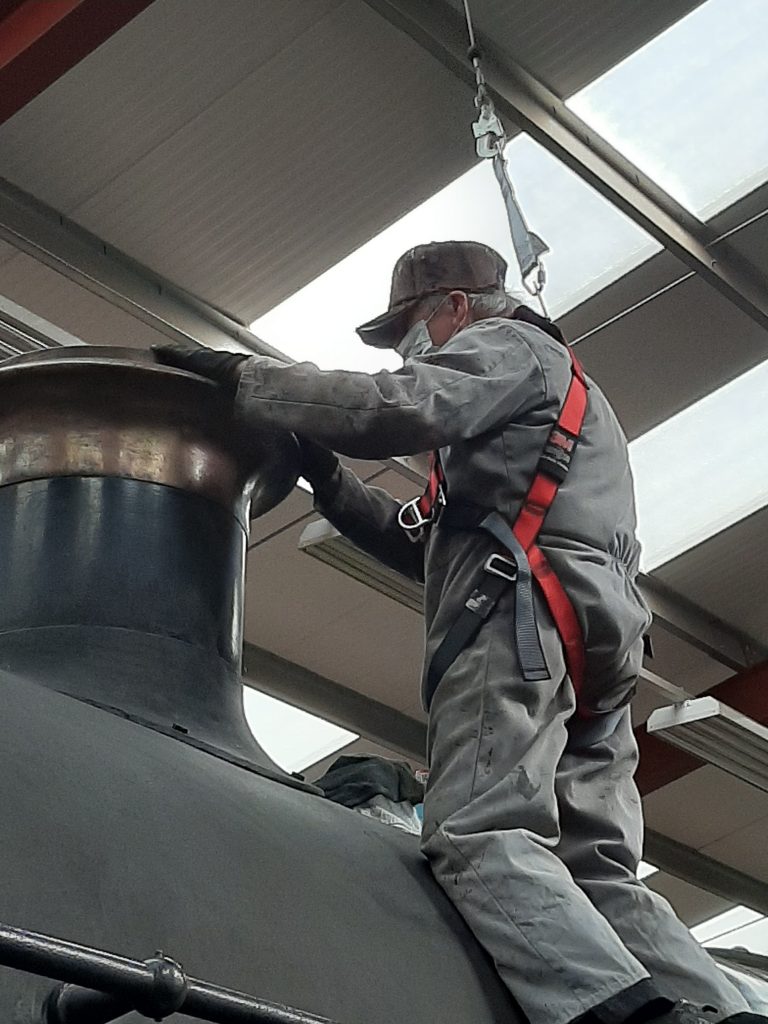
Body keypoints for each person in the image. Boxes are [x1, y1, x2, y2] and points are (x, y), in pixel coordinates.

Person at [154, 241, 761, 1024]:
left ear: (456, 305)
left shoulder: (507, 348)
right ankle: (726, 1013)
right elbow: (431, 546)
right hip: (595, 641)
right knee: (598, 872)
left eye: (411, 327)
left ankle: (627, 1018)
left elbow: (393, 407)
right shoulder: (560, 401)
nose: (411, 348)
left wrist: (252, 382)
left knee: (478, 833)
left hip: (524, 621)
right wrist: (333, 485)